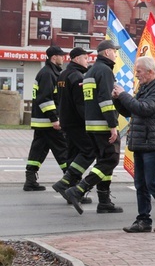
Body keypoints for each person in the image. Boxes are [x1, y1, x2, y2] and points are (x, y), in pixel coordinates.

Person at [113, 57, 155, 233]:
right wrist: (117, 100)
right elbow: (130, 111)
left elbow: (143, 108)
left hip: (152, 144)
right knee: (141, 184)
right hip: (141, 143)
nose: (137, 75)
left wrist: (123, 95)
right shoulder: (145, 89)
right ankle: (143, 220)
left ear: (151, 72)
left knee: (153, 184)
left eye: (139, 71)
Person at [63, 40, 124, 215]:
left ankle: (104, 202)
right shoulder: (104, 71)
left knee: (103, 162)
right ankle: (78, 190)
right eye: (114, 51)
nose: (116, 54)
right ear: (106, 53)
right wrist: (112, 125)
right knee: (110, 160)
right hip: (103, 125)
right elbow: (105, 101)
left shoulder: (90, 71)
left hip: (91, 124)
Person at [51, 47, 94, 205]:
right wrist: (88, 120)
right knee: (90, 149)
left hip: (66, 120)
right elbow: (80, 103)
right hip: (77, 122)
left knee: (73, 153)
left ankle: (70, 189)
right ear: (76, 59)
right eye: (85, 58)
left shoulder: (63, 74)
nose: (87, 60)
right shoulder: (77, 76)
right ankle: (68, 183)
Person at [24, 45, 68, 191]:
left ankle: (30, 180)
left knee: (38, 150)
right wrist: (54, 119)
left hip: (42, 122)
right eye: (61, 55)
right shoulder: (48, 74)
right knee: (63, 150)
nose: (63, 58)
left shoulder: (49, 72)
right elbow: (45, 99)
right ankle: (70, 182)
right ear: (54, 57)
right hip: (49, 123)